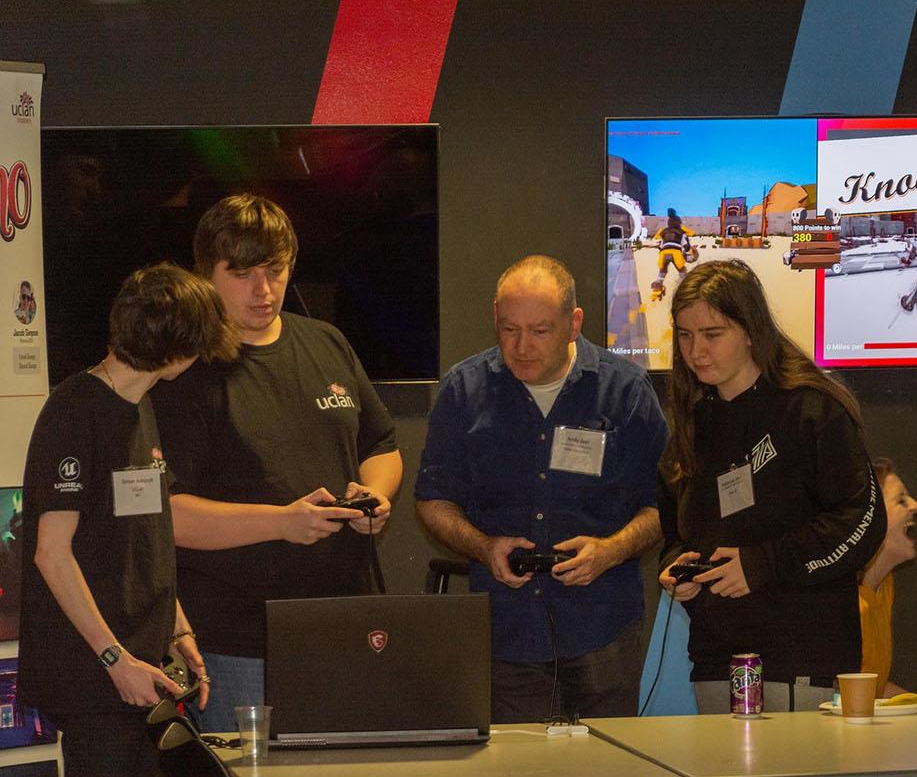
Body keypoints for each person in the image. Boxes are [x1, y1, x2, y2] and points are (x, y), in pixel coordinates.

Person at [151, 194, 403, 732]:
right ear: (206, 274)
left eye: (275, 270)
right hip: (238, 640)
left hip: (346, 619)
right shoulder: (183, 371)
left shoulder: (326, 342)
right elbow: (166, 515)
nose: (263, 290)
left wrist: (375, 494)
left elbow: (381, 446)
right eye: (242, 274)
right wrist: (282, 522)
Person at [415, 254, 668, 723]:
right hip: (507, 635)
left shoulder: (625, 391)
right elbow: (433, 501)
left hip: (602, 629)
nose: (522, 346)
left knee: (608, 759)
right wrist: (483, 546)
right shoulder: (464, 390)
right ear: (495, 316)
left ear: (574, 324)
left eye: (540, 331)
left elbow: (662, 508)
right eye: (509, 329)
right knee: (521, 760)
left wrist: (610, 551)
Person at [17, 263, 239, 777]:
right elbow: (51, 553)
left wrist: (177, 629)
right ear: (177, 348)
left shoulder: (140, 406)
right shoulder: (75, 411)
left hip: (144, 669)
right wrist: (114, 659)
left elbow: (143, 537)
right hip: (97, 678)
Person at [657, 258, 886, 713]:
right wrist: (675, 569)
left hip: (800, 656)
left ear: (750, 331)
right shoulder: (692, 423)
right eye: (685, 335)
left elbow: (862, 521)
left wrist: (763, 563)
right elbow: (676, 534)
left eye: (712, 334)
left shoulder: (810, 409)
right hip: (715, 659)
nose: (696, 350)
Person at [860, 457, 916, 698]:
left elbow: (875, 687)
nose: (914, 505)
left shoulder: (885, 586)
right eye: (901, 500)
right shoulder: (841, 600)